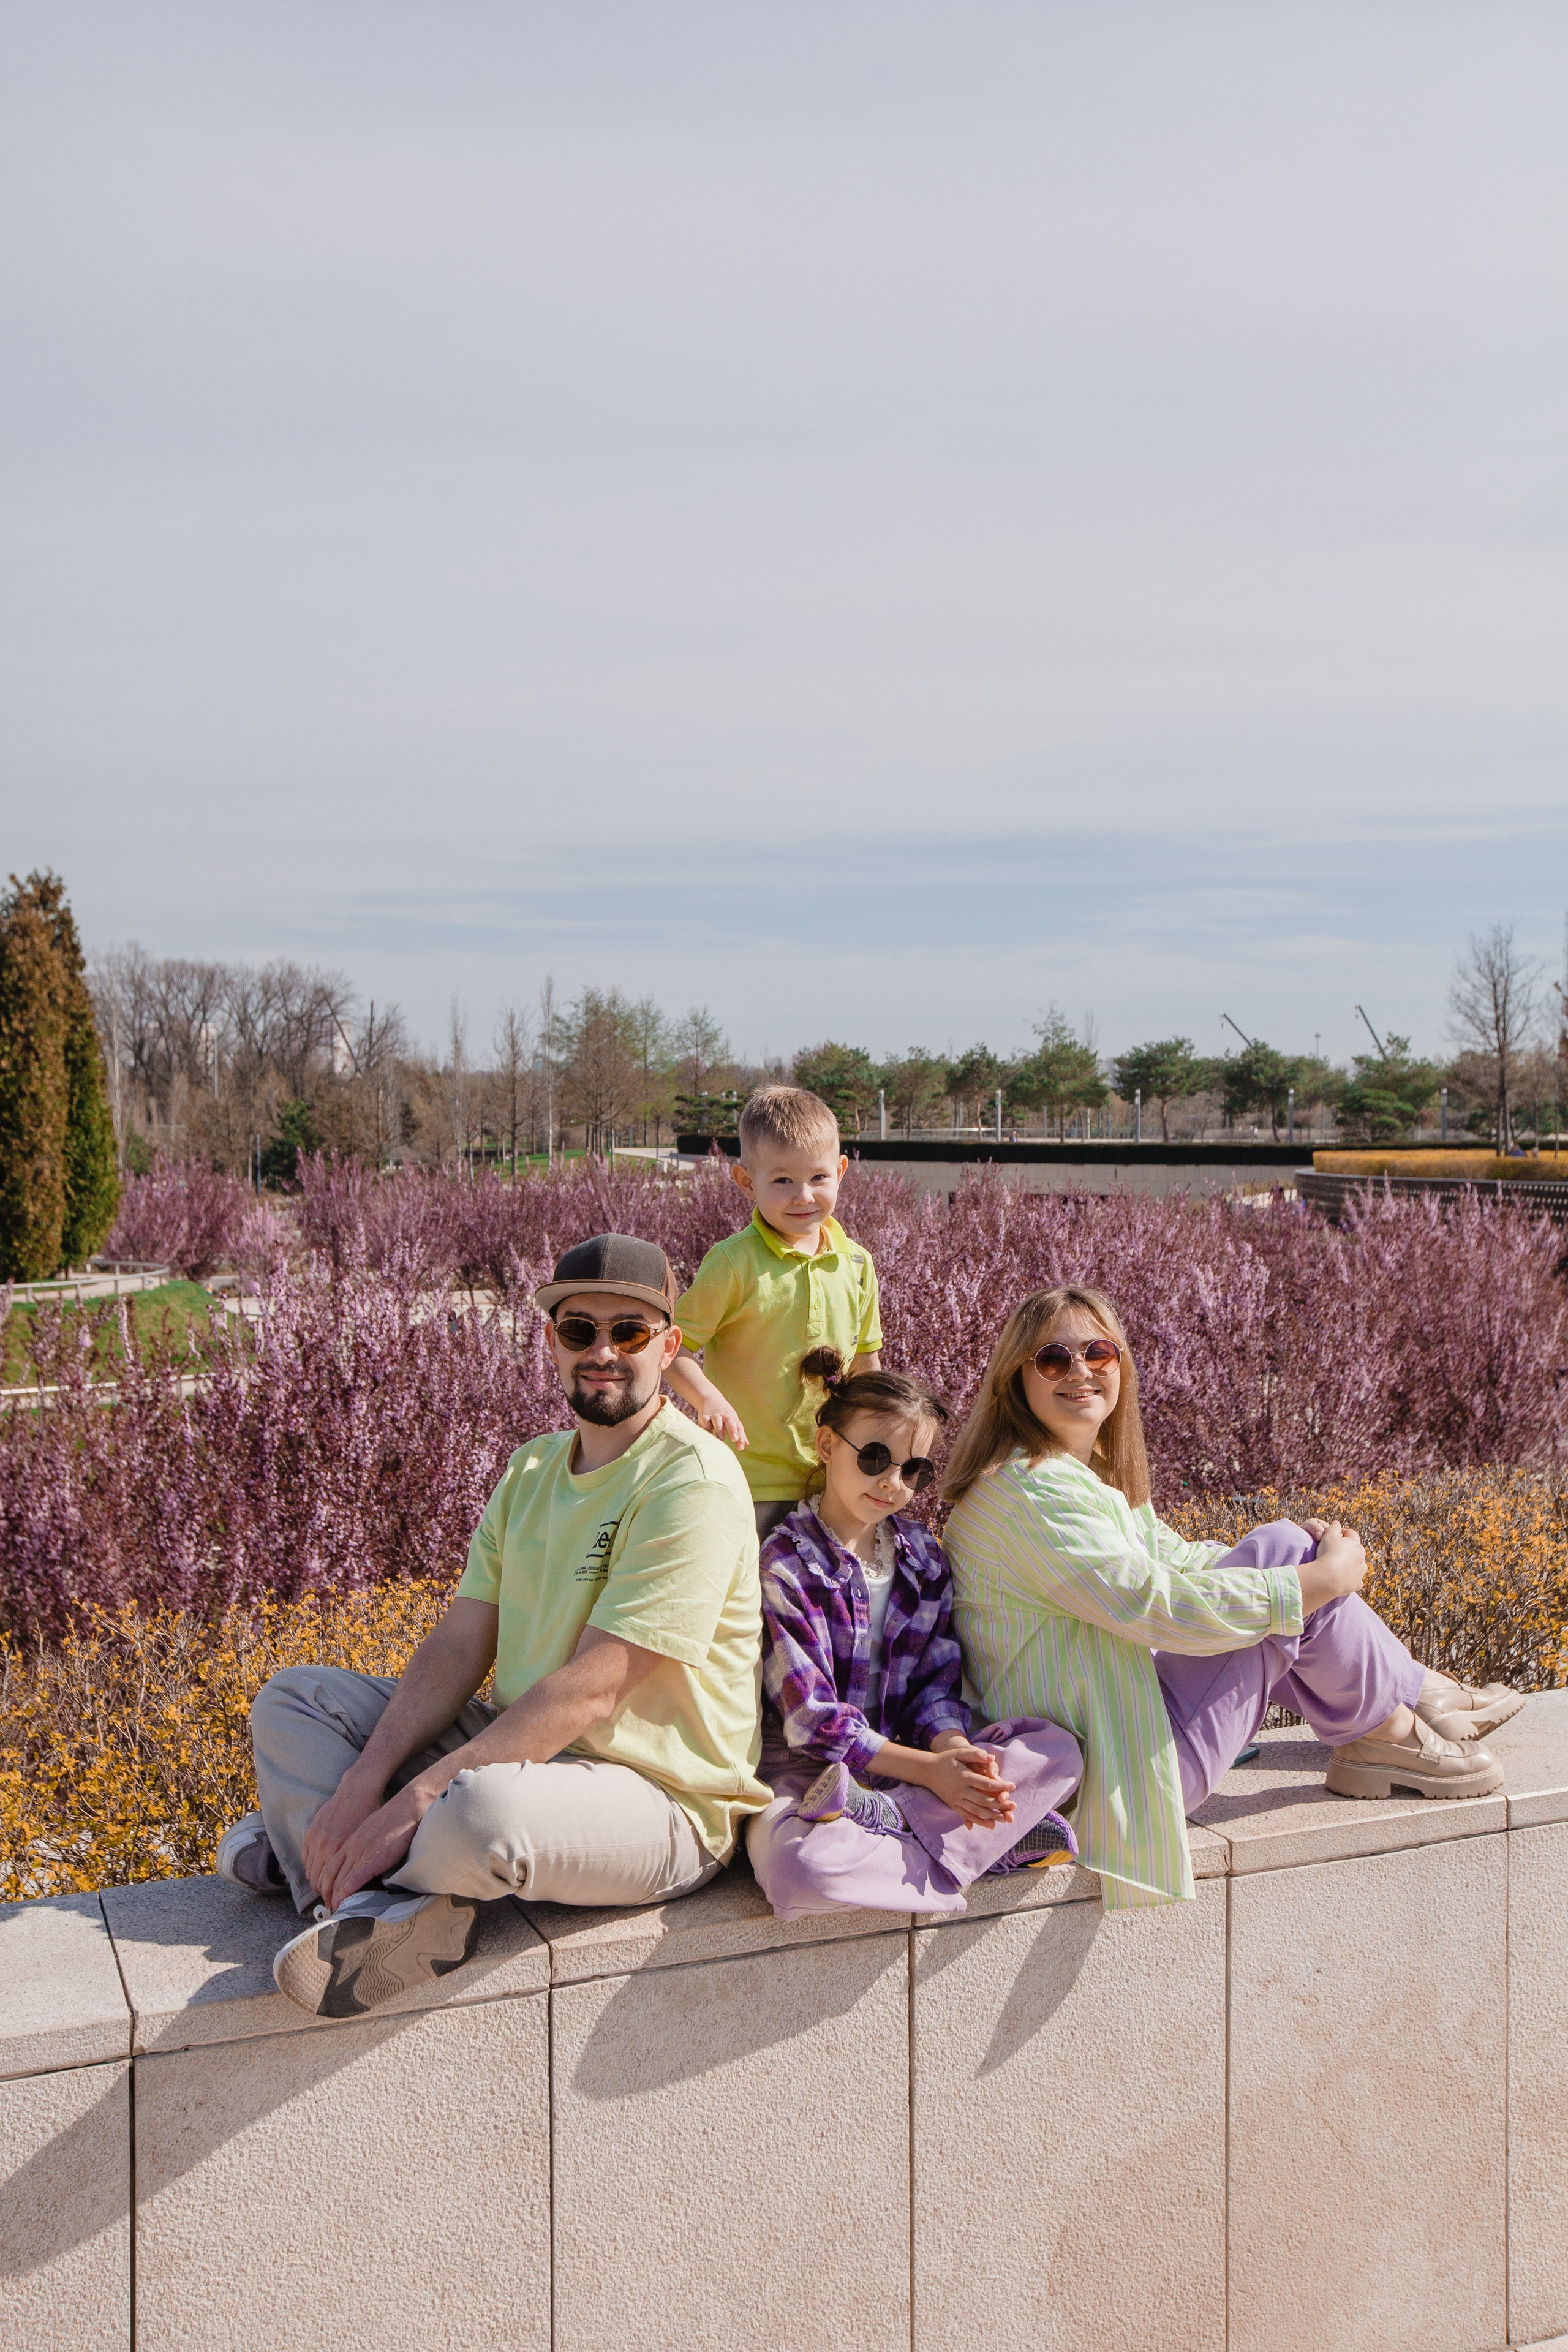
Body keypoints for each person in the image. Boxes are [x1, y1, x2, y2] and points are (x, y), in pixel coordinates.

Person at [219, 1234, 769, 2016]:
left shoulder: (693, 1482)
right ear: (551, 1341)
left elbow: (591, 1693)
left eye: (631, 1332)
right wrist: (366, 1779)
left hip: (660, 1798)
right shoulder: (533, 1468)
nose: (603, 1350)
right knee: (295, 1699)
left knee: (481, 1814)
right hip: (520, 1746)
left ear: (670, 1345)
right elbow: (458, 1641)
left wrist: (409, 1804)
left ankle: (321, 1867)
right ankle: (362, 1907)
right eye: (580, 1330)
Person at [942, 1283, 1525, 1913]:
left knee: (1280, 1550)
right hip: (1118, 1767)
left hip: (1115, 1726)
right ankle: (1396, 1718)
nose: (1080, 1371)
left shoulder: (1065, 1478)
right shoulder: (1035, 1496)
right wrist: (1316, 1581)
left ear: (1120, 1366)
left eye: (1099, 1353)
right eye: (1053, 1359)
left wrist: (1294, 1558)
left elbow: (1174, 1559)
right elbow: (1156, 1605)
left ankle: (1404, 1701)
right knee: (1283, 1570)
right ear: (1015, 1381)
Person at [747, 1355, 1082, 1920]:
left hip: (911, 1764)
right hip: (809, 1778)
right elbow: (810, 1720)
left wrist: (954, 1752)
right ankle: (981, 1849)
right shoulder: (784, 1562)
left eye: (914, 1470)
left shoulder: (922, 1555)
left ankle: (889, 1819)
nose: (892, 1483)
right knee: (798, 1871)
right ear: (827, 1445)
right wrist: (933, 1776)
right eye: (875, 1457)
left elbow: (935, 1684)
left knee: (1059, 1751)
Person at [666, 1084, 883, 1540]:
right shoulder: (734, 1262)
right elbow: (674, 1349)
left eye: (819, 1178)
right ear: (746, 1182)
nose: (804, 1196)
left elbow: (865, 1363)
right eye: (783, 1181)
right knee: (755, 1605)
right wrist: (708, 1398)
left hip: (833, 1481)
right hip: (749, 1480)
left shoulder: (858, 1264)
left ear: (841, 1171)